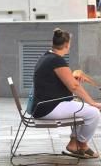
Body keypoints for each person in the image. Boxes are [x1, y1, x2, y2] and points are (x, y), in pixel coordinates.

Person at [32, 28, 101, 158]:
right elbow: (74, 86)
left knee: (85, 110)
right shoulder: (56, 60)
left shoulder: (47, 56)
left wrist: (75, 79)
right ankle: (82, 143)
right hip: (49, 107)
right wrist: (92, 102)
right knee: (94, 113)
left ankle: (73, 144)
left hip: (45, 105)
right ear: (67, 45)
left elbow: (64, 82)